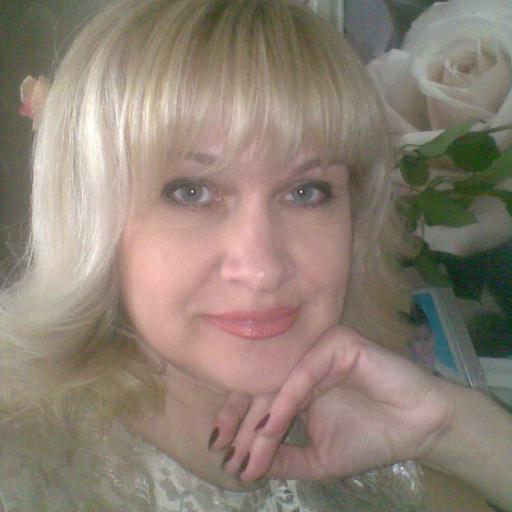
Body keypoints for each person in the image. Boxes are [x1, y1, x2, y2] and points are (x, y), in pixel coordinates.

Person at [0, 0, 510, 510]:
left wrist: (456, 430)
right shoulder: (23, 469)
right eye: (191, 192)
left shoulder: (392, 448)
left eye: (305, 192)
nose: (263, 269)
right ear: (91, 216)